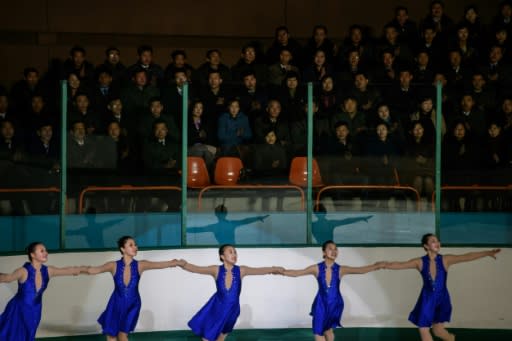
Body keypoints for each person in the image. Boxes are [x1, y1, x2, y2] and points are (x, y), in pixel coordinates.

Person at [384, 233, 501, 341]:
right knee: (423, 328)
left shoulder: (445, 259)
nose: (438, 243)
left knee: (438, 331)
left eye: (438, 241)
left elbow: (466, 256)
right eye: (433, 241)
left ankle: (451, 339)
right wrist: (382, 265)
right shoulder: (419, 262)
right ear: (426, 246)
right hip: (427, 298)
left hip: (442, 298)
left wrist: (487, 253)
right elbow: (399, 264)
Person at [282, 240, 384, 341]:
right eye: (330, 249)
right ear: (324, 252)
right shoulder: (316, 268)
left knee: (328, 330)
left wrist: (376, 266)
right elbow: (297, 273)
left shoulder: (341, 269)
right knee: (318, 332)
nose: (334, 251)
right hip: (320, 303)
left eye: (336, 249)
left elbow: (360, 270)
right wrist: (281, 271)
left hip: (335, 303)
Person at [178, 244, 283, 341]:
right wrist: (184, 264)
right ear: (222, 256)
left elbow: (259, 270)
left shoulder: (242, 270)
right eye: (230, 252)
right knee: (207, 338)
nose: (234, 254)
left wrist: (274, 269)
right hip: (217, 308)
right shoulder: (216, 269)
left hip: (233, 310)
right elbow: (196, 269)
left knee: (221, 337)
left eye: (235, 252)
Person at [85, 236, 180, 341]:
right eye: (131, 245)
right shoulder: (113, 265)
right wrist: (80, 269)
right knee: (111, 334)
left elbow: (158, 264)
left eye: (135, 245)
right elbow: (94, 270)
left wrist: (173, 263)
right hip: (116, 303)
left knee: (122, 335)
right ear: (122, 249)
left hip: (133, 304)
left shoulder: (141, 265)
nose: (135, 247)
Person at [0, 241, 85, 341]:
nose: (46, 253)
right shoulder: (23, 271)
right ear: (32, 255)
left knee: (29, 335)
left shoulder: (48, 271)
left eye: (46, 250)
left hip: (35, 310)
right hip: (18, 309)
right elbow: (7, 278)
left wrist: (82, 269)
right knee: (14, 336)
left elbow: (66, 270)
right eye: (42, 251)